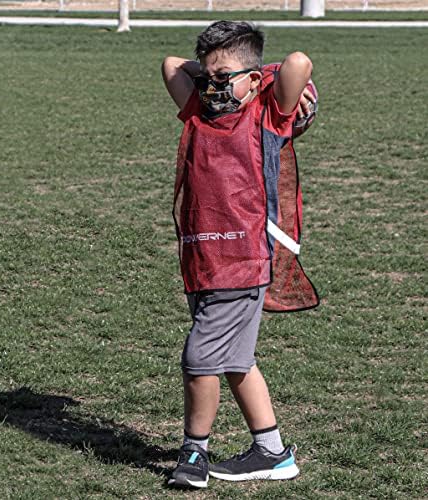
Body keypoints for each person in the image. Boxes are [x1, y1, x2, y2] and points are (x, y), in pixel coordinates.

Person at [161, 21, 319, 489]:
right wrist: (216, 72)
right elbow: (170, 65)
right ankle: (271, 452)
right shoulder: (198, 109)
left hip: (243, 259)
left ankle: (194, 452)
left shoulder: (268, 114)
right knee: (235, 360)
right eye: (207, 79)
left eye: (224, 78)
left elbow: (298, 63)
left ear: (253, 79)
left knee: (200, 357)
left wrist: (257, 73)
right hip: (203, 260)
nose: (213, 88)